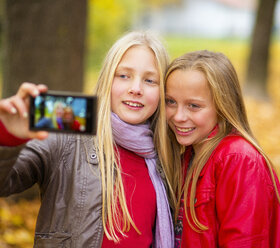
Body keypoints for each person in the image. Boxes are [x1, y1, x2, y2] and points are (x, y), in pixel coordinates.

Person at [0, 31, 174, 247]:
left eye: (150, 80)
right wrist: (7, 135)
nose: (135, 89)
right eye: (124, 75)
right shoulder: (68, 133)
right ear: (107, 79)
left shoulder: (166, 153)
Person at [160, 50, 280, 247]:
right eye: (171, 102)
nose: (178, 116)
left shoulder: (238, 159)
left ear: (222, 106)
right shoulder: (190, 153)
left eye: (193, 105)